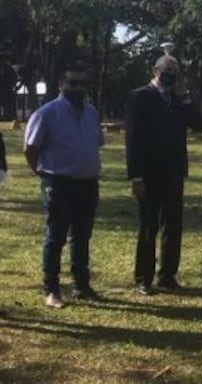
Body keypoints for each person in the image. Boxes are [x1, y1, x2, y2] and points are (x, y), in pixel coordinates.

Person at [23, 63, 103, 308]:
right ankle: (52, 290)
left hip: (88, 184)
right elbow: (30, 149)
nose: (78, 88)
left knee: (82, 237)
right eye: (73, 83)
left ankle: (82, 285)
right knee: (56, 237)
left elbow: (96, 143)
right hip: (59, 183)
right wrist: (44, 176)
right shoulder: (46, 113)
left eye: (83, 84)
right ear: (61, 85)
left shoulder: (91, 113)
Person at [125, 54, 202, 295]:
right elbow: (133, 139)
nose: (172, 74)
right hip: (148, 173)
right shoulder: (140, 97)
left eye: (176, 70)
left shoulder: (179, 99)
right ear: (155, 71)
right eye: (167, 70)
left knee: (173, 225)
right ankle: (143, 278)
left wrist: (186, 98)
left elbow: (199, 125)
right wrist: (135, 176)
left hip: (173, 172)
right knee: (148, 226)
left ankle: (168, 275)